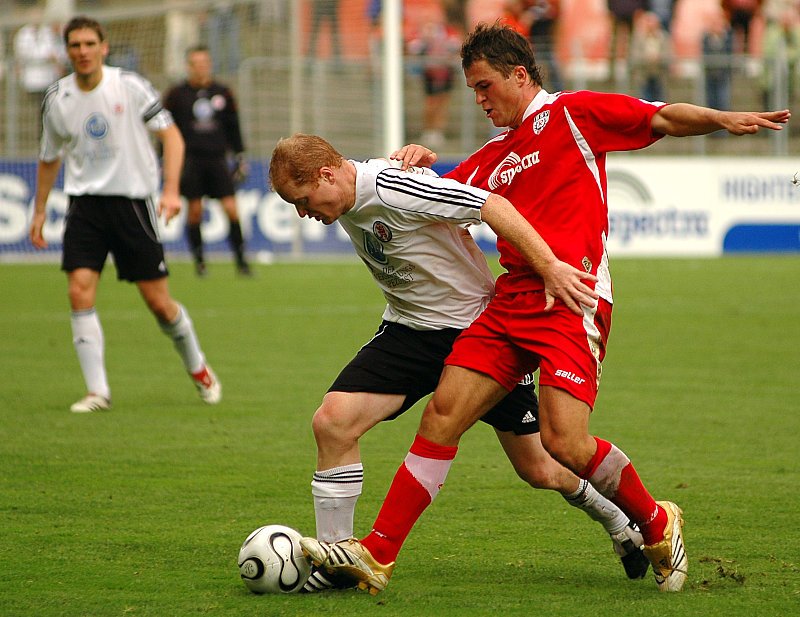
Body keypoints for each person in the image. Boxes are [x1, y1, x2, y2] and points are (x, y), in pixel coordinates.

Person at [300, 22, 790, 594]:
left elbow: (659, 117)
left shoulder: (575, 114)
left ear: (518, 74)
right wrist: (407, 161)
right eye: (472, 91)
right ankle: (376, 554)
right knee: (443, 415)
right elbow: (427, 197)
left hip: (573, 296)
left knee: (564, 444)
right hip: (510, 301)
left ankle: (658, 521)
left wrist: (720, 119)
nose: (479, 101)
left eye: (484, 87)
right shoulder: (490, 157)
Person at [269, 134, 650, 591]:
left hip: (475, 335)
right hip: (409, 334)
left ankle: (618, 521)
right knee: (332, 423)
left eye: (303, 199)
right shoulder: (349, 191)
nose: (302, 212)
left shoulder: (394, 186)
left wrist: (549, 266)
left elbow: (492, 206)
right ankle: (338, 565)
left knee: (540, 467)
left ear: (326, 175)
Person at [29, 16, 222, 413]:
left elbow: (171, 136)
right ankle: (97, 392)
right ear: (67, 51)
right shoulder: (57, 99)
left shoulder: (129, 86)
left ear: (103, 47)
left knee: (159, 304)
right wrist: (39, 209)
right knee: (78, 290)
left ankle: (200, 369)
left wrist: (170, 191)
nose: (82, 52)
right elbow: (49, 158)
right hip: (84, 205)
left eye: (88, 44)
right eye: (74, 45)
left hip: (132, 204)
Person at [163, 45, 251, 277]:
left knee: (231, 209)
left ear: (209, 65)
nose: (200, 68)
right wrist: (163, 157)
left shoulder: (223, 92)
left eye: (204, 63)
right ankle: (200, 263)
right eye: (195, 64)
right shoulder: (176, 95)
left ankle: (242, 262)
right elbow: (166, 130)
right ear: (188, 66)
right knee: (194, 211)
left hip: (217, 160)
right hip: (191, 160)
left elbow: (233, 127)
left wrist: (240, 156)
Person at [407, 15, 462, 149]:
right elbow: (414, 48)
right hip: (430, 75)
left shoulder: (448, 33)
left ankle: (438, 130)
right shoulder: (423, 34)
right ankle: (429, 130)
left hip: (445, 74)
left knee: (442, 102)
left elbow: (456, 46)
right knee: (431, 103)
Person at [630, 10, 670, 102]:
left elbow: (669, 54)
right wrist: (646, 58)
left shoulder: (663, 37)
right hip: (644, 74)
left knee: (660, 101)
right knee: (645, 101)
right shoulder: (638, 38)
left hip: (659, 73)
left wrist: (659, 58)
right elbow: (634, 55)